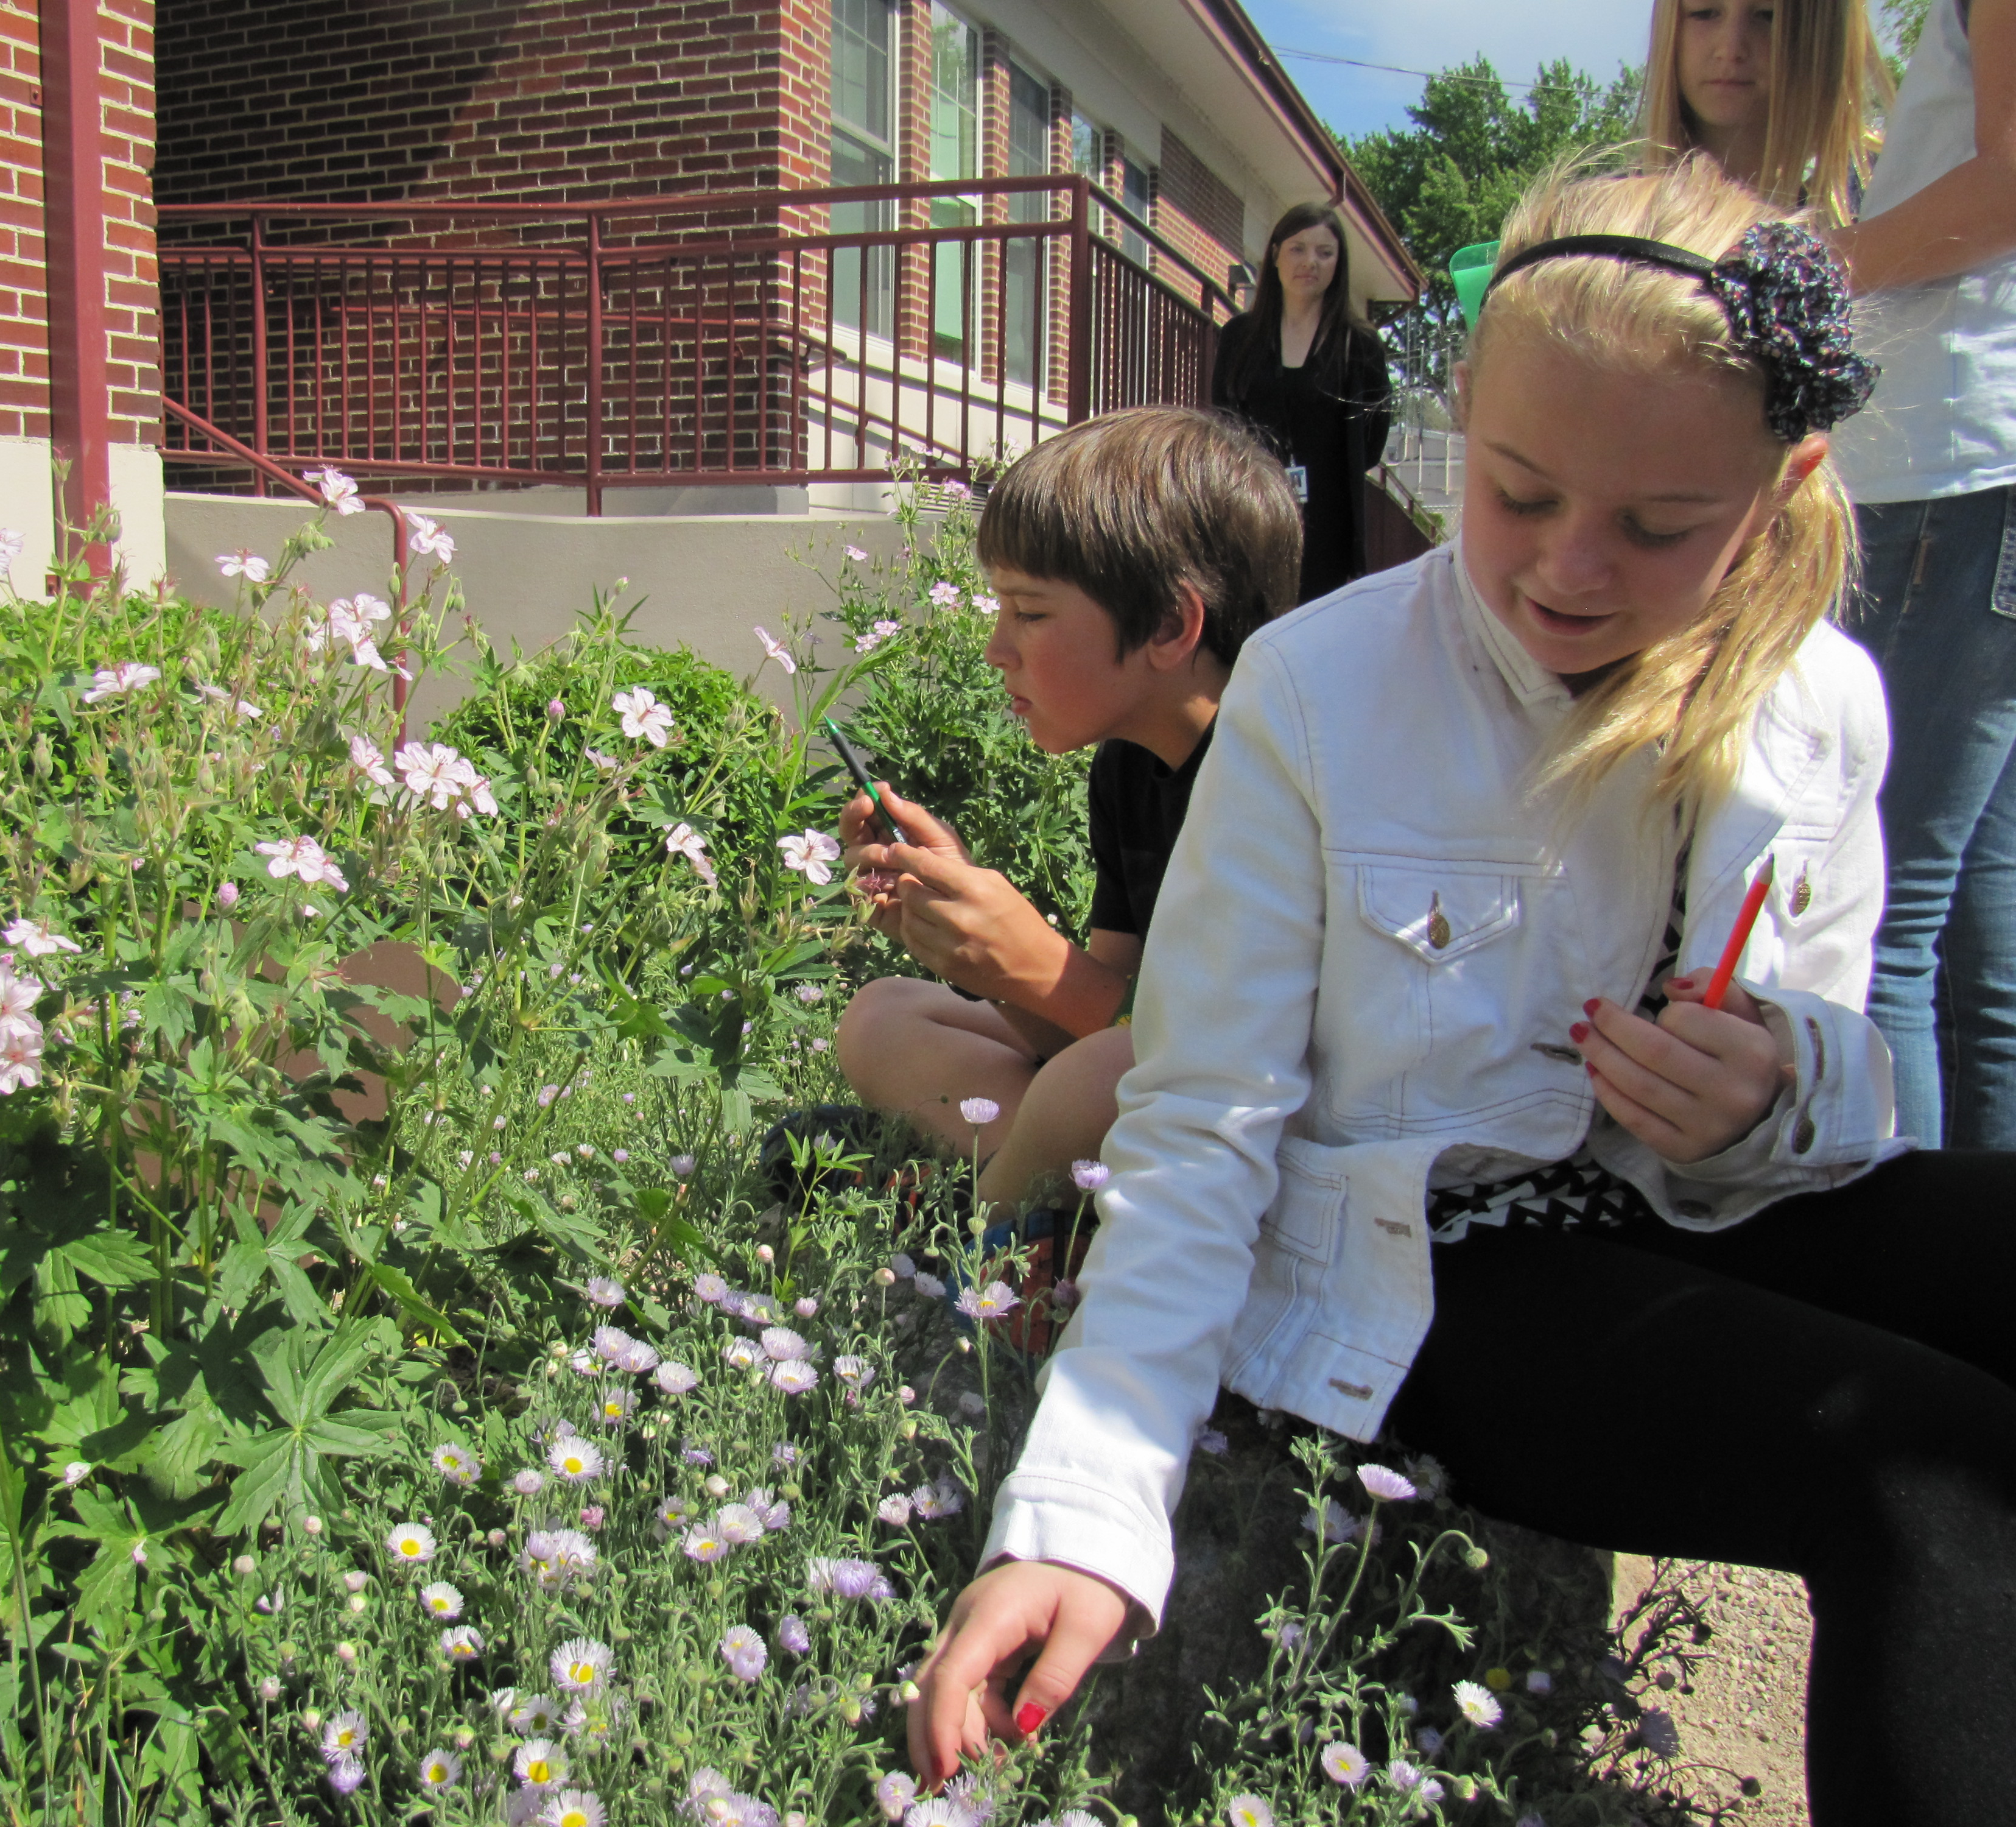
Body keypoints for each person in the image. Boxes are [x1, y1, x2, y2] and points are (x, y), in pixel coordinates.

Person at [908, 160, 2016, 1826]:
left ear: (1782, 492)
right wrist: (1085, 1506)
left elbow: (1830, 1075)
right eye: (1518, 494)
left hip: (1683, 1218)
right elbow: (1202, 1118)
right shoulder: (1323, 688)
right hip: (1426, 1257)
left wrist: (1774, 1081)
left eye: (1658, 528)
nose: (1570, 569)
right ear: (1461, 429)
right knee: (1933, 1479)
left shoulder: (1820, 702)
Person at [832, 406, 1301, 1227]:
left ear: (1167, 622)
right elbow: (1085, 1027)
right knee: (884, 1014)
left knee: (1089, 1085)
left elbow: (1204, 1057)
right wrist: (976, 943)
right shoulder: (1129, 768)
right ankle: (1046, 1189)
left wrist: (1041, 962)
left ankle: (979, 1238)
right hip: (1131, 1095)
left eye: (1031, 612)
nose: (995, 649)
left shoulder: (1277, 776)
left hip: (1257, 1130)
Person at [1825, 0, 2016, 1147]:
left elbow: (2006, 182)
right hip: (1982, 469)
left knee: (1881, 905)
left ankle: (1907, 1282)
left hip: (1945, 464)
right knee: (1978, 925)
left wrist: (1813, 262)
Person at [1208, 204, 1394, 604]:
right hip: (1251, 515)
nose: (1311, 262)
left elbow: (1372, 442)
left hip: (1328, 528)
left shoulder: (1359, 346)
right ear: (1275, 254)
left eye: (1325, 253)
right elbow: (1222, 426)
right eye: (1298, 249)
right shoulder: (1239, 338)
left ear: (1338, 265)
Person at [1640, 0, 1892, 222]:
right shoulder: (1619, 219)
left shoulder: (1892, 192)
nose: (1731, 49)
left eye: (1768, 15)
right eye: (1704, 12)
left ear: (1826, 34)